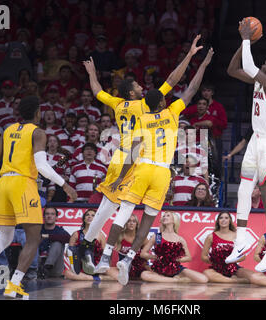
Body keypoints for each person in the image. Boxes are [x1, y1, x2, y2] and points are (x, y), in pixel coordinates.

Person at [79, 35, 204, 274]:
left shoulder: (117, 103)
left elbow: (97, 92)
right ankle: (96, 249)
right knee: (122, 209)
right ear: (135, 94)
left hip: (119, 157)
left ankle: (87, 244)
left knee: (109, 205)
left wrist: (92, 73)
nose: (141, 87)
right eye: (138, 86)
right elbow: (172, 80)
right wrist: (189, 56)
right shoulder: (146, 106)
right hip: (136, 160)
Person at [0, 95, 77, 299]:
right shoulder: (37, 132)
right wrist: (65, 184)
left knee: (5, 237)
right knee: (33, 238)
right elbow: (41, 166)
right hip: (23, 183)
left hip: (4, 182)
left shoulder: (8, 130)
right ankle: (14, 285)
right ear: (38, 112)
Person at [226, 18, 266, 272]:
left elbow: (250, 67)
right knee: (243, 189)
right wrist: (244, 45)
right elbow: (232, 69)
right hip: (255, 140)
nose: (263, 66)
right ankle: (240, 240)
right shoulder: (260, 80)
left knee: (265, 194)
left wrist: (246, 39)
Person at [201, 211, 266, 286]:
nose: (223, 220)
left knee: (254, 276)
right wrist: (217, 262)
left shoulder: (237, 236)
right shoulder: (211, 236)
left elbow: (243, 256)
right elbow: (204, 256)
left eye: (226, 218)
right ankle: (236, 281)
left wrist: (230, 260)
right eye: (221, 218)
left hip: (233, 267)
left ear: (230, 221)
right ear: (218, 221)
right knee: (207, 273)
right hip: (217, 268)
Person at [140, 211, 208, 283]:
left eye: (168, 216)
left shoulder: (180, 239)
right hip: (159, 268)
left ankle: (164, 279)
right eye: (164, 216)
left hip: (176, 268)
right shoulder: (157, 236)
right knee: (144, 275)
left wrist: (175, 259)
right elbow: (143, 254)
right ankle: (175, 280)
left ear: (174, 221)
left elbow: (188, 257)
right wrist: (156, 257)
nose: (165, 217)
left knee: (203, 279)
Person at [64, 209, 117, 281]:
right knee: (67, 272)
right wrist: (74, 260)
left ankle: (90, 276)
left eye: (93, 215)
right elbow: (68, 253)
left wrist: (107, 268)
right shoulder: (76, 234)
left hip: (97, 266)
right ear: (84, 218)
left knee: (116, 274)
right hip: (81, 265)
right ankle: (98, 278)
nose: (89, 217)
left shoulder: (101, 235)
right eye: (87, 215)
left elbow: (106, 255)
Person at [38, 207, 71, 279]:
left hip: (55, 269)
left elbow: (68, 238)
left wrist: (47, 236)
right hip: (38, 266)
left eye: (52, 214)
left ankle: (47, 266)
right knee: (32, 241)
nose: (49, 216)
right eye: (47, 214)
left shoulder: (59, 230)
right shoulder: (38, 229)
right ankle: (41, 269)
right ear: (43, 217)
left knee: (57, 243)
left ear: (56, 218)